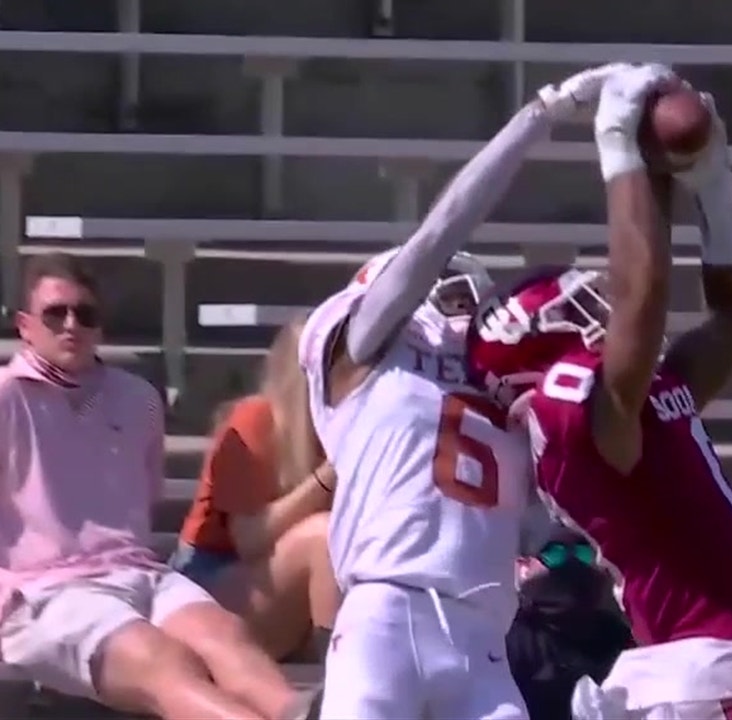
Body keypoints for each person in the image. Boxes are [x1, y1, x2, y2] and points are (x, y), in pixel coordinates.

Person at [465, 69, 732, 720]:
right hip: (715, 675)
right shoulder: (569, 411)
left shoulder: (634, 397)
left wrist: (709, 181)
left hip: (696, 665)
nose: (597, 310)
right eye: (574, 309)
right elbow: (643, 298)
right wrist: (618, 142)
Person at [297, 64, 627, 720]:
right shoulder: (364, 360)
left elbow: (546, 522)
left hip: (484, 634)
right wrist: (536, 118)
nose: (462, 306)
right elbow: (438, 235)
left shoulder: (502, 389)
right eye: (445, 289)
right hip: (385, 613)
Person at [0, 253, 314, 720]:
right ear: (26, 326)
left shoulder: (137, 399)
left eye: (85, 314)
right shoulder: (6, 395)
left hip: (141, 572)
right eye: (55, 313)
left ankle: (302, 712)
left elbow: (142, 496)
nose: (71, 325)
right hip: (46, 589)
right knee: (163, 662)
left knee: (226, 639)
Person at [170, 317, 338, 662]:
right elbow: (249, 540)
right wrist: (327, 477)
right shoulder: (253, 420)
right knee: (321, 535)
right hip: (210, 582)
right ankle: (340, 689)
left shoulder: (342, 426)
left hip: (283, 587)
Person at [506, 526, 635, 720]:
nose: (572, 563)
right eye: (554, 554)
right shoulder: (511, 638)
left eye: (584, 554)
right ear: (523, 566)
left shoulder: (615, 634)